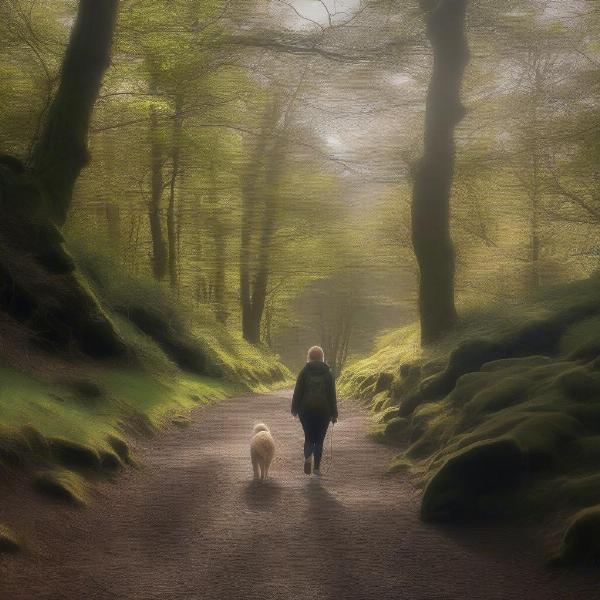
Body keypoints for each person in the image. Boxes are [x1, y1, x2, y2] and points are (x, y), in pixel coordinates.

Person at [291, 346, 338, 476]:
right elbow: (332, 395)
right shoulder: (328, 373)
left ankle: (307, 458)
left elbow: (298, 392)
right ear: (322, 357)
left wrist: (294, 408)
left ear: (309, 357)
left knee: (309, 436)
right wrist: (334, 414)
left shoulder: (304, 372)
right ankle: (317, 469)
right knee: (320, 439)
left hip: (306, 411)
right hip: (324, 411)